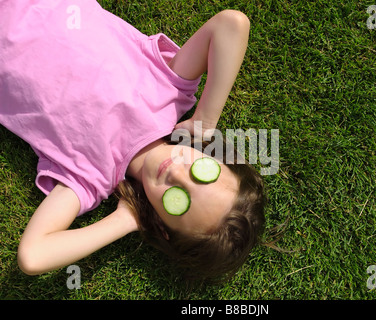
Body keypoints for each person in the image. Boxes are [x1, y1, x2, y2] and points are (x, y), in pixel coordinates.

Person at [0, 0, 265, 282]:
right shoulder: (168, 91)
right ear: (215, 159)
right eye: (203, 173)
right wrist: (205, 121)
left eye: (180, 201)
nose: (176, 174)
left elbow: (32, 256)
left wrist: (125, 221)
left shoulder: (91, 177)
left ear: (162, 226)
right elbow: (232, 24)